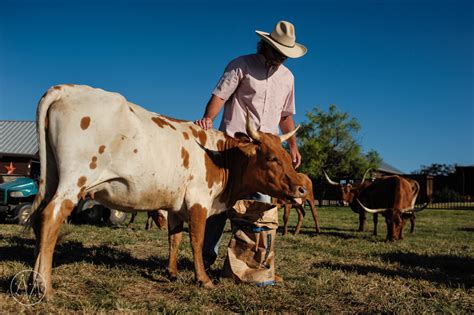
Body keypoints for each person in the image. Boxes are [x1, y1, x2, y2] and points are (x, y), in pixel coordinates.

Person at [195, 20, 307, 276]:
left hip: (267, 153)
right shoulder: (241, 64)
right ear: (265, 46)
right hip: (235, 148)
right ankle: (204, 258)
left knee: (260, 206)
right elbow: (220, 96)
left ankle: (247, 264)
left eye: (285, 55)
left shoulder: (288, 78)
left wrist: (293, 145)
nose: (280, 58)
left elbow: (286, 116)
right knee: (217, 205)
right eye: (277, 52)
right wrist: (208, 119)